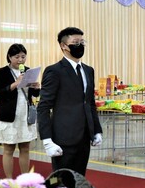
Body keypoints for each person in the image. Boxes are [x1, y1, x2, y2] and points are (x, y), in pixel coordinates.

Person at [37, 27, 103, 176]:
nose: (79, 45)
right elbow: (44, 107)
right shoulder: (54, 71)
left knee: (79, 180)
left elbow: (90, 102)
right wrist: (47, 140)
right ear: (63, 46)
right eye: (75, 42)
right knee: (62, 181)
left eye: (82, 42)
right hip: (63, 137)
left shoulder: (88, 70)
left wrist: (97, 130)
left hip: (85, 137)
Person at [0, 44, 40, 178]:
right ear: (9, 57)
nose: (20, 60)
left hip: (25, 115)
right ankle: (9, 180)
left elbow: (34, 95)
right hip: (9, 115)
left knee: (25, 149)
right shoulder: (1, 72)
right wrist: (15, 83)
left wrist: (36, 88)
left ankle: (24, 179)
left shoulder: (28, 71)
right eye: (17, 57)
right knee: (9, 149)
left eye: (23, 56)